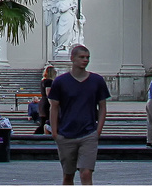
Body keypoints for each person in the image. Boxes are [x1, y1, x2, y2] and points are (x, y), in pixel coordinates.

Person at [48, 44, 111, 186]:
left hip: (88, 133)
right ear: (72, 58)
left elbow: (102, 106)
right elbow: (54, 107)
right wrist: (55, 132)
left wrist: (98, 130)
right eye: (81, 57)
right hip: (66, 134)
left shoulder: (97, 81)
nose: (85, 60)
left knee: (86, 173)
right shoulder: (61, 82)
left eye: (87, 57)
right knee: (68, 176)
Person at [33, 65, 55, 135]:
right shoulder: (49, 81)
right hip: (47, 103)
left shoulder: (43, 81)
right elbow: (48, 93)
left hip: (43, 102)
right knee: (46, 122)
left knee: (43, 122)